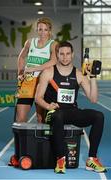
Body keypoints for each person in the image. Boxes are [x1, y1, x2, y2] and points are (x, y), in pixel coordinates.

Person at [35, 41, 106, 173]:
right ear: (57, 54)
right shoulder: (48, 72)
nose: (65, 57)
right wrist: (48, 105)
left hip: (72, 111)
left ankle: (92, 159)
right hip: (53, 112)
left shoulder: (78, 74)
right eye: (61, 54)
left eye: (68, 53)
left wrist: (93, 77)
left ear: (72, 54)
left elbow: (93, 99)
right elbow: (38, 97)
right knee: (58, 114)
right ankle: (61, 160)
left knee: (98, 116)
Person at [16, 17, 57, 123]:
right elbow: (21, 57)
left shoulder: (53, 44)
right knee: (20, 119)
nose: (43, 32)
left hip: (43, 83)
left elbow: (53, 61)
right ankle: (21, 140)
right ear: (37, 30)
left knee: (41, 118)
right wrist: (20, 73)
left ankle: (41, 140)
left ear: (50, 30)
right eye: (40, 29)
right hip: (28, 81)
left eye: (45, 29)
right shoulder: (29, 42)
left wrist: (35, 68)